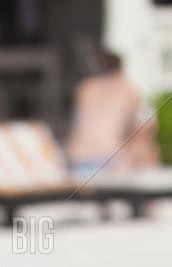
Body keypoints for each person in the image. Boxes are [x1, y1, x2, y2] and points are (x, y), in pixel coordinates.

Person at [65, 47, 161, 178]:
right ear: (121, 68)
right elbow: (146, 127)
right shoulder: (128, 90)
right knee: (144, 143)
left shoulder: (85, 88)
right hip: (107, 161)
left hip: (76, 161)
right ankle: (153, 184)